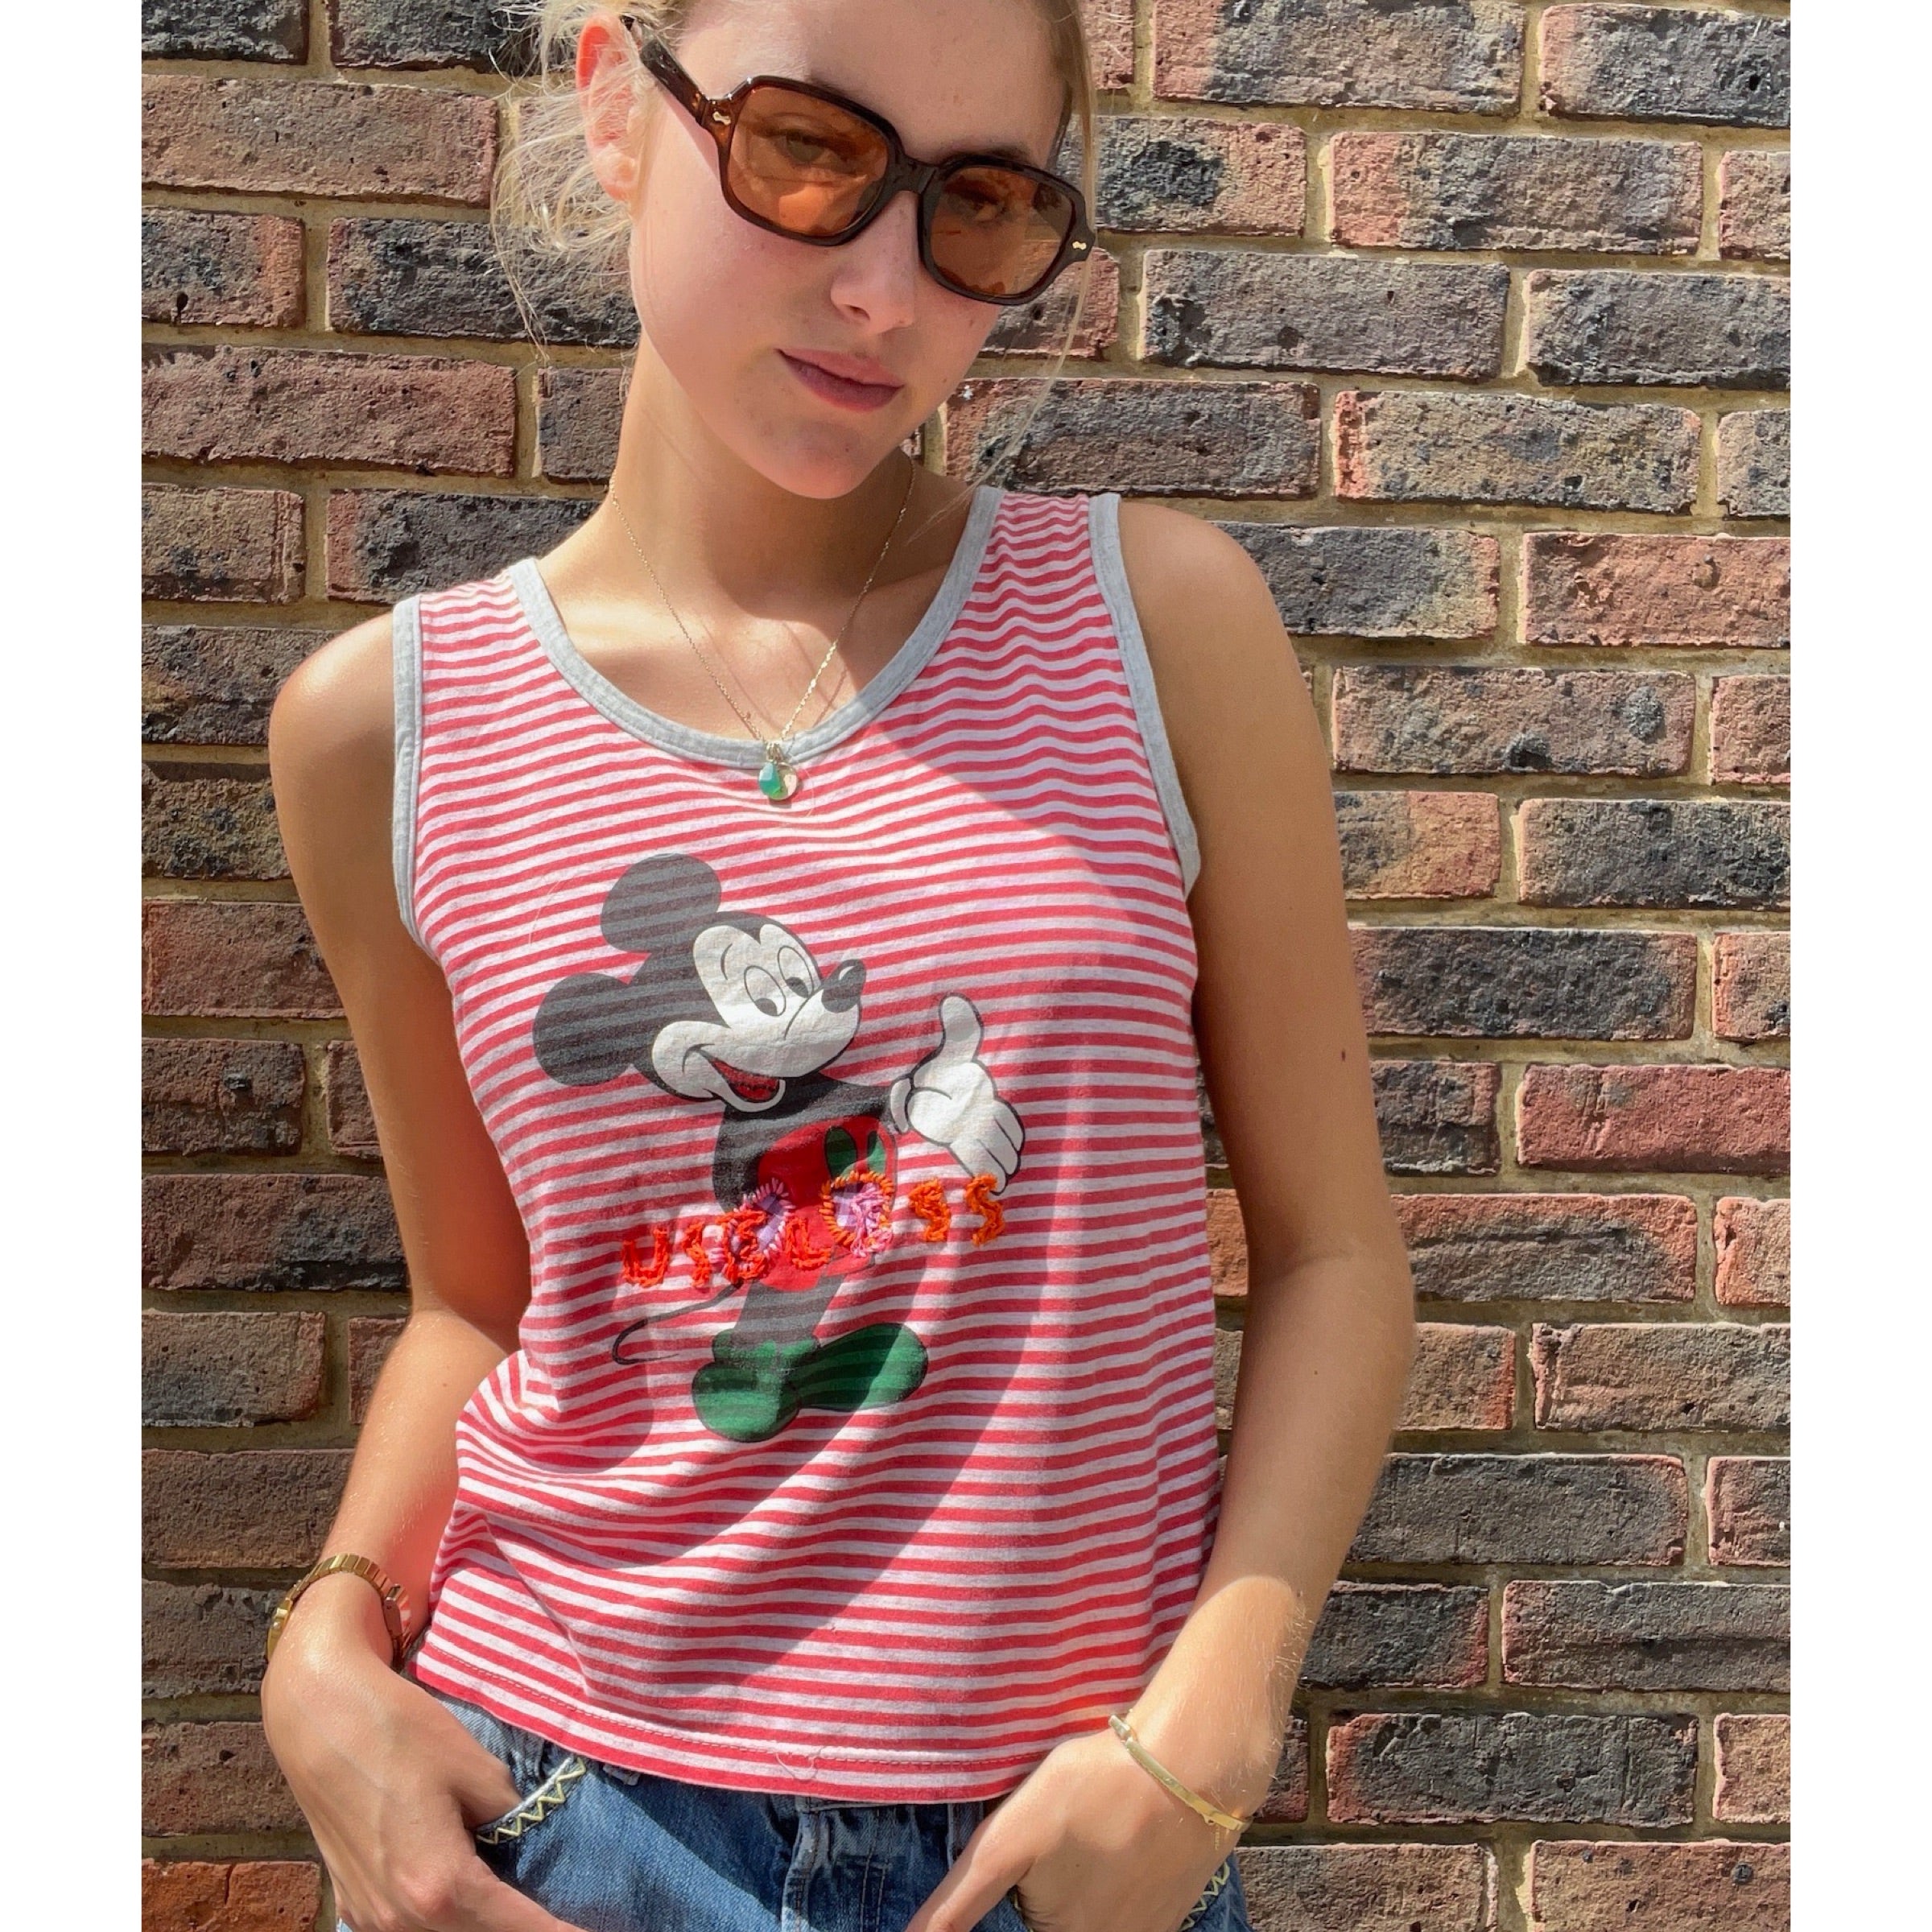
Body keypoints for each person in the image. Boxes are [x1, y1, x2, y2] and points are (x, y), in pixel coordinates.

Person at [259, 3, 1417, 1930]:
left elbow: (1335, 1258)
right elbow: (477, 1306)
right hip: (559, 1819)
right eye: (804, 150)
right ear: (617, 107)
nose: (885, 290)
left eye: (982, 206)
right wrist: (325, 1642)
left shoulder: (1159, 629)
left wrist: (1213, 1721)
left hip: (1063, 1843)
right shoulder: (388, 727)